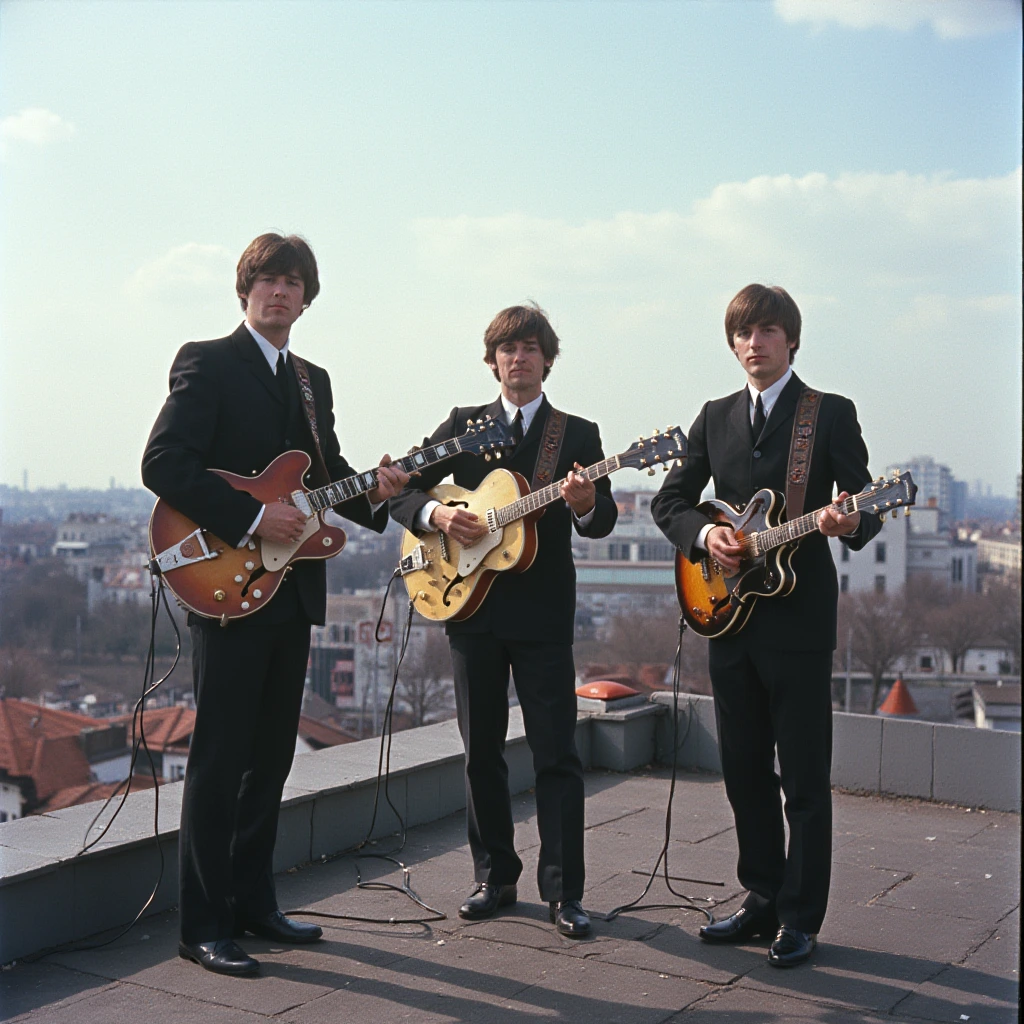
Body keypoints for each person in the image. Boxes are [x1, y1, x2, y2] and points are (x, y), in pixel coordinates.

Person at [142, 233, 408, 977]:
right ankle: (202, 925)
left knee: (270, 758)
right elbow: (162, 463)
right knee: (220, 758)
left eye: (293, 282)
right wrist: (254, 520)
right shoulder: (207, 360)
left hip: (291, 593)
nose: (280, 292)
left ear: (306, 297)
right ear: (245, 288)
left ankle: (253, 904)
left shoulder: (311, 380)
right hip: (228, 587)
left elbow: (326, 472)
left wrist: (381, 495)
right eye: (268, 279)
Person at [650, 284, 881, 967]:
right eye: (744, 333)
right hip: (727, 618)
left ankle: (801, 916)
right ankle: (762, 897)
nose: (756, 343)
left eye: (769, 331)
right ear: (733, 344)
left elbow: (862, 509)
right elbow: (669, 502)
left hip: (799, 620)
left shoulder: (827, 415)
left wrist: (851, 518)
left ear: (791, 340)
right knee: (743, 768)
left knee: (804, 778)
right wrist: (705, 538)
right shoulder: (715, 415)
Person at [389, 305, 617, 938]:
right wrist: (437, 517)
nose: (519, 357)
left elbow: (601, 521)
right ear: (492, 360)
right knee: (480, 753)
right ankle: (494, 877)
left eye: (531, 347)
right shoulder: (463, 426)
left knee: (557, 755)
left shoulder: (576, 434)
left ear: (548, 359)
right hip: (470, 608)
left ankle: (564, 892)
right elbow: (403, 488)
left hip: (543, 615)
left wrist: (587, 500)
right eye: (507, 348)